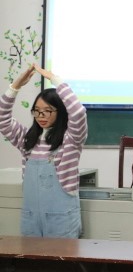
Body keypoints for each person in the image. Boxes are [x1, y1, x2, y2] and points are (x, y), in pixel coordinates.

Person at [0, 63, 88, 238]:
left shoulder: (71, 139)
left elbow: (78, 112)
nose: (41, 116)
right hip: (31, 219)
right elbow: (3, 119)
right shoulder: (27, 139)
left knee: (61, 257)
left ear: (60, 111)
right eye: (37, 111)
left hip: (61, 221)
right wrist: (15, 86)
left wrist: (56, 80)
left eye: (48, 111)